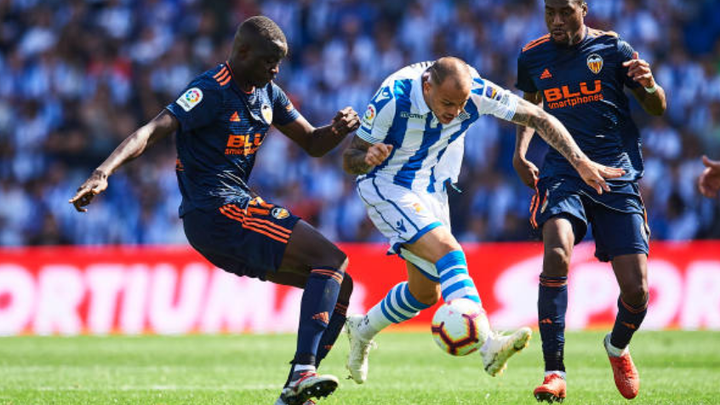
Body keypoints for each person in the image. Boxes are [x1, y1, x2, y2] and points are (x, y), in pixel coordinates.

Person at [69, 16, 359, 405]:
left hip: (226, 217)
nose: (274, 70)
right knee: (331, 258)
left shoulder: (269, 92)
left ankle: (296, 392)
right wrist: (103, 172)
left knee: (339, 282)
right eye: (268, 61)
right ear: (241, 52)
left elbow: (313, 143)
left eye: (279, 63)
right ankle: (302, 371)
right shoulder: (210, 90)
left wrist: (337, 130)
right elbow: (151, 131)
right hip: (217, 210)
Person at [341, 57, 624, 385]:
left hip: (431, 187)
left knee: (425, 294)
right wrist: (367, 158)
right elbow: (350, 159)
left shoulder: (476, 92)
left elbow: (539, 117)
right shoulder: (394, 95)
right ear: (427, 86)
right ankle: (489, 344)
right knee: (450, 253)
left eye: (460, 105)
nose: (454, 112)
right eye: (447, 103)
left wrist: (580, 161)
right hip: (386, 184)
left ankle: (361, 329)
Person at [513, 0, 667, 402]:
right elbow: (529, 106)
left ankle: (616, 347)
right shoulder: (532, 55)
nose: (557, 21)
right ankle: (554, 372)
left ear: (584, 8)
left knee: (637, 292)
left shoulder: (614, 49)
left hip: (615, 174)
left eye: (565, 11)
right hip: (563, 172)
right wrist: (520, 152)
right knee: (557, 252)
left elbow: (658, 107)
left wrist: (650, 85)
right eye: (550, 13)